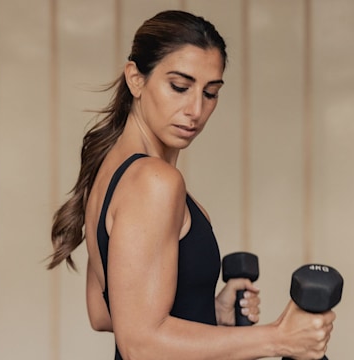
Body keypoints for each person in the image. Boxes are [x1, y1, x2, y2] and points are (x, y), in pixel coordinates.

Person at [48, 9, 335, 360]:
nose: (195, 109)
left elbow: (105, 312)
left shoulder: (108, 171)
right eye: (179, 87)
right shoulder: (154, 182)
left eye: (211, 93)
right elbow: (139, 344)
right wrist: (280, 338)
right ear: (135, 79)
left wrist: (209, 312)